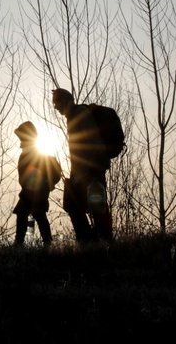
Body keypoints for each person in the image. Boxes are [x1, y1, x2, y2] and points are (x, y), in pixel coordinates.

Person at [52, 88, 113, 244]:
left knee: (96, 206)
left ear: (66, 100)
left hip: (91, 171)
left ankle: (101, 243)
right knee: (74, 204)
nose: (55, 107)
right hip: (83, 171)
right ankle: (89, 242)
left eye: (57, 103)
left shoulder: (80, 114)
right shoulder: (73, 116)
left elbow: (91, 142)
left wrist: (85, 171)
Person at [12, 122, 61, 247]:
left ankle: (47, 243)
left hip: (38, 192)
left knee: (38, 214)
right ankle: (19, 243)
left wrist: (44, 185)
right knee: (23, 213)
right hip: (28, 192)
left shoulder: (37, 155)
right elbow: (23, 175)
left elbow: (49, 174)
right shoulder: (25, 155)